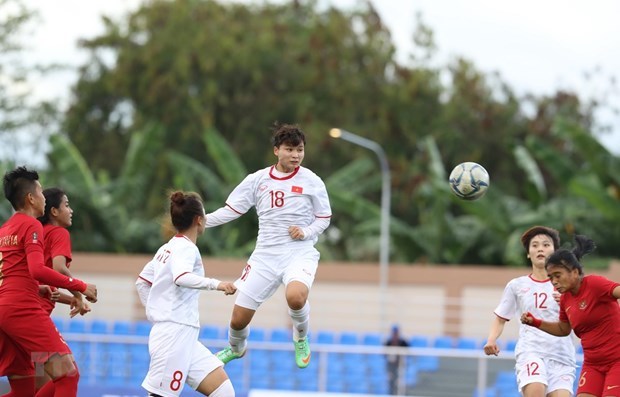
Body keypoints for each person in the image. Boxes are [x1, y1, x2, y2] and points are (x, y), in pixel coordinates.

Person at [205, 122, 332, 369]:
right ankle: (236, 349)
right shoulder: (257, 180)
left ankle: (301, 337)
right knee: (238, 320)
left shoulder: (312, 180)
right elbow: (232, 210)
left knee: (295, 297)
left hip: (299, 253)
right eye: (290, 149)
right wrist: (202, 222)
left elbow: (324, 217)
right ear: (276, 150)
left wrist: (305, 232)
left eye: (300, 150)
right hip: (264, 256)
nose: (296, 155)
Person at [0, 166, 98, 397]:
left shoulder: (4, 229)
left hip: (6, 311)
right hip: (24, 310)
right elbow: (38, 269)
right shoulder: (32, 225)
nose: (44, 197)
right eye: (41, 191)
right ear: (31, 198)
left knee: (23, 391)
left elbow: (15, 273)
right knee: (68, 374)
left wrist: (39, 288)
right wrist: (81, 287)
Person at [135, 190, 237, 397]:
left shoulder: (167, 248)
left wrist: (158, 313)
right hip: (174, 335)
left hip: (184, 336)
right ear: (199, 220)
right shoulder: (187, 249)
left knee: (224, 392)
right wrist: (217, 284)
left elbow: (142, 283)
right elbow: (181, 277)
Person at [522, 235, 620, 397]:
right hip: (592, 365)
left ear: (574, 272)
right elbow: (563, 329)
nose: (553, 281)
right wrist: (536, 322)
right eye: (550, 277)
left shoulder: (594, 284)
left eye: (557, 275)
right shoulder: (566, 299)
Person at [483, 226, 576, 397]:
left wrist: (568, 302)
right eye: (535, 245)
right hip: (532, 352)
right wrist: (491, 339)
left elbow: (579, 320)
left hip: (562, 356)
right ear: (528, 253)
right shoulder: (517, 285)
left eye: (546, 245)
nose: (540, 248)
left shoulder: (569, 285)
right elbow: (500, 318)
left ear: (555, 251)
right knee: (536, 389)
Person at [37, 187, 90, 317]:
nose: (71, 211)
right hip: (36, 311)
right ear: (54, 211)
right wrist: (79, 293)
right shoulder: (59, 232)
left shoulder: (36, 233)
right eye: (66, 205)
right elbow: (59, 269)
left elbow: (44, 289)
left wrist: (74, 300)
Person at [385, 325, 409, 395]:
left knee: (399, 383)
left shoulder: (403, 342)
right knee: (391, 382)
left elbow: (408, 351)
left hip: (400, 366)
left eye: (396, 333)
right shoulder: (389, 342)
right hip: (391, 366)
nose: (395, 335)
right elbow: (384, 353)